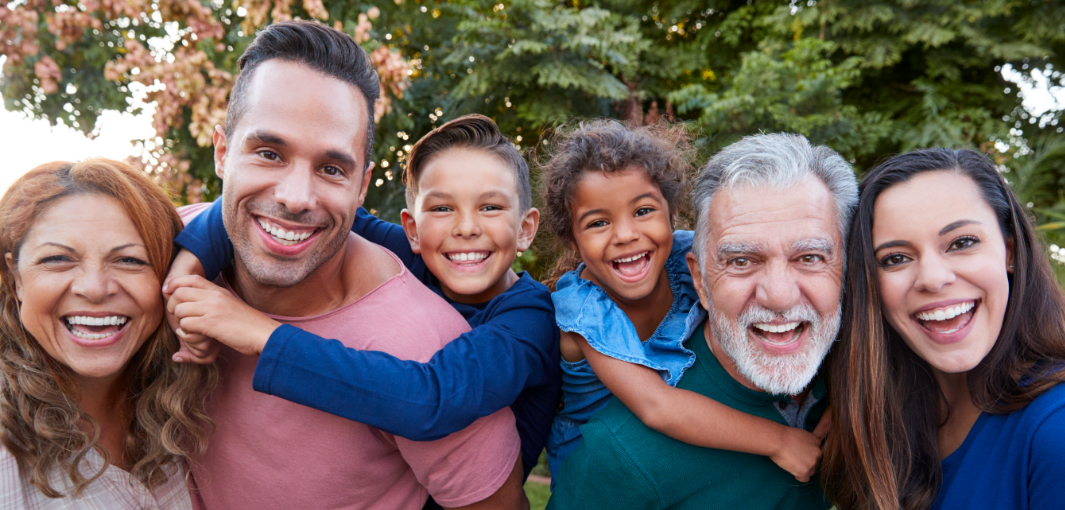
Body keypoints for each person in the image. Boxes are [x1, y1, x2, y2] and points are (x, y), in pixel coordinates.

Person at [160, 21, 524, 509]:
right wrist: (183, 264)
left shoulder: (430, 346)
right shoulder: (152, 254)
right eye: (269, 153)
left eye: (331, 168)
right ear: (223, 153)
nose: (294, 198)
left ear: (362, 187)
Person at [166, 114, 560, 481]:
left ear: (525, 228)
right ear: (413, 230)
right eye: (442, 208)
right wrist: (189, 266)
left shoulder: (529, 318)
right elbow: (273, 207)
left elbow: (431, 400)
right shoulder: (415, 255)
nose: (466, 228)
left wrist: (261, 335)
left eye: (490, 207)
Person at [547, 132, 857, 508]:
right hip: (596, 440)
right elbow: (657, 406)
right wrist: (779, 440)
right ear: (572, 240)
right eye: (598, 223)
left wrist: (849, 400)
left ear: (671, 213)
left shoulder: (684, 251)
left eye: (643, 211)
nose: (626, 234)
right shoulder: (583, 311)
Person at [822, 149, 1065, 510]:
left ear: (1009, 252)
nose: (933, 280)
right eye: (895, 259)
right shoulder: (872, 420)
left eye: (962, 243)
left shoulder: (1054, 430)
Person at [0, 159, 216, 509]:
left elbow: (250, 205)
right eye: (57, 259)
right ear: (16, 278)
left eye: (130, 260)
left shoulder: (193, 406)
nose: (95, 288)